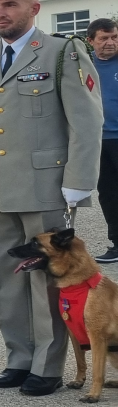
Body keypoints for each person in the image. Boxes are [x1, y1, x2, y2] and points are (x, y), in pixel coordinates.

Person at [0, 0, 101, 396]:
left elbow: (87, 122)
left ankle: (47, 364)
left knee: (47, 279)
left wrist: (79, 181)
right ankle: (18, 358)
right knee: (7, 276)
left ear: (34, 8)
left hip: (45, 184)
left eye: (9, 5)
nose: (0, 13)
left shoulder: (62, 52)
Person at [86, 18, 118, 263]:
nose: (110, 42)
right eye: (104, 38)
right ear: (91, 41)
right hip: (98, 141)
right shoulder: (83, 68)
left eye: (114, 37)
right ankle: (117, 243)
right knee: (107, 193)